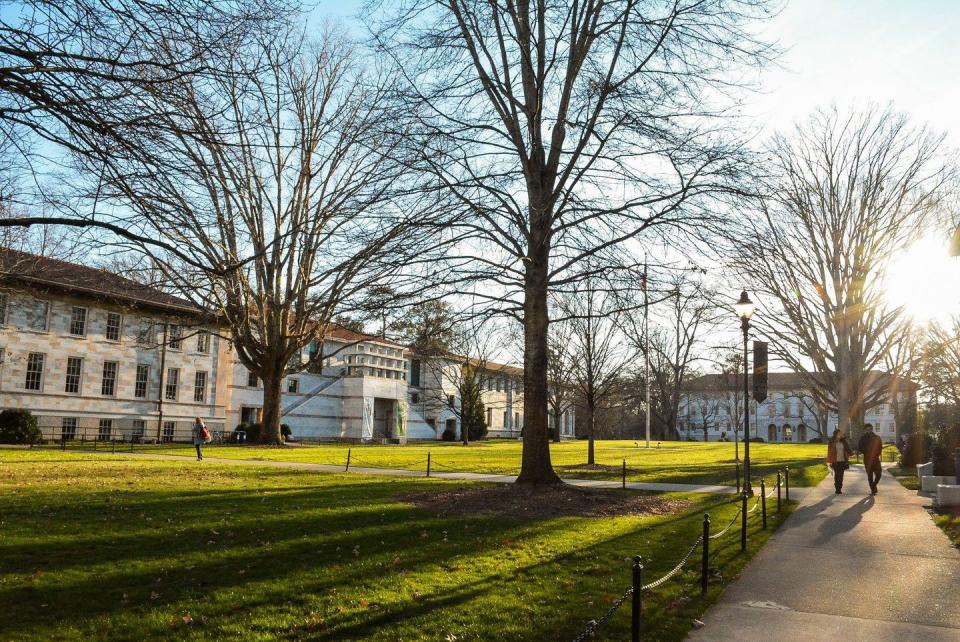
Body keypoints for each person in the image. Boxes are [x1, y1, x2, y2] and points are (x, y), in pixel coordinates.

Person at [858, 423, 883, 495]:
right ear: (865, 430)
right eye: (867, 429)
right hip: (867, 459)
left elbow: (880, 447)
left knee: (879, 473)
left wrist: (877, 453)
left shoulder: (877, 437)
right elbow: (860, 447)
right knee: (870, 475)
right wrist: (865, 451)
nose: (868, 430)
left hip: (875, 459)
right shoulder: (863, 438)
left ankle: (874, 485)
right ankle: (873, 489)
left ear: (872, 429)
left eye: (870, 429)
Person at [826, 429, 852, 494]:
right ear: (836, 434)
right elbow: (829, 452)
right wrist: (829, 461)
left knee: (841, 476)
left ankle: (839, 488)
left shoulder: (844, 441)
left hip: (842, 461)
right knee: (837, 475)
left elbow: (848, 449)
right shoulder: (832, 442)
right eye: (839, 433)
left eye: (841, 434)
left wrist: (851, 453)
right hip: (835, 461)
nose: (841, 435)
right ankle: (837, 488)